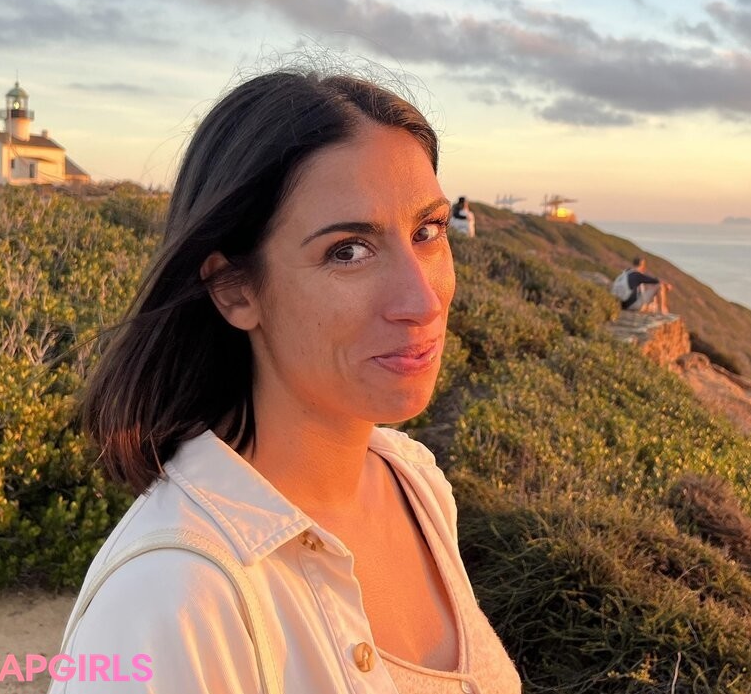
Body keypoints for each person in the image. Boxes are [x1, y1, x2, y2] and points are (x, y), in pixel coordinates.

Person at [52, 70, 521, 693]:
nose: (422, 300)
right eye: (348, 251)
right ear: (234, 290)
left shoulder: (416, 483)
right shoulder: (170, 598)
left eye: (427, 232)